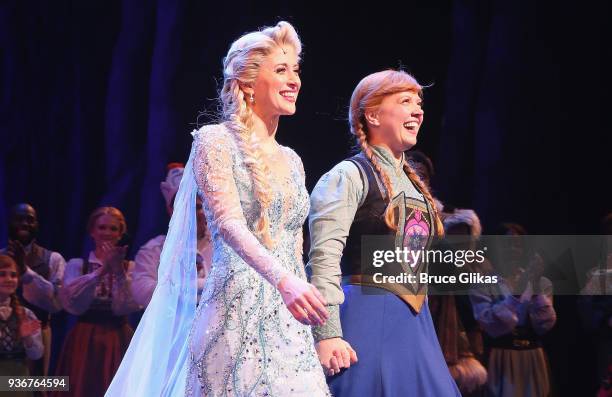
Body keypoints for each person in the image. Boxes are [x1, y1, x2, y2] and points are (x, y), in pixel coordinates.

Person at [106, 21, 330, 396]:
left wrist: (306, 303)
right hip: (234, 312)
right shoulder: (215, 141)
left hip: (289, 320)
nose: (294, 80)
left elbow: (293, 242)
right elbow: (228, 224)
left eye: (296, 70)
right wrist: (284, 280)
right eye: (281, 70)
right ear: (246, 82)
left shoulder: (292, 160)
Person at [309, 70, 460, 396]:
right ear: (373, 114)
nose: (418, 111)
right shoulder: (348, 176)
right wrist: (327, 333)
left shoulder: (415, 187)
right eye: (405, 101)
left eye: (419, 103)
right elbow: (324, 259)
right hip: (365, 319)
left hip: (415, 325)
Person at [53, 207, 139, 397]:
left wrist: (117, 271)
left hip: (118, 336)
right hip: (85, 337)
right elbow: (72, 304)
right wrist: (101, 271)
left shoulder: (130, 268)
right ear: (92, 231)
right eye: (102, 228)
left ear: (121, 233)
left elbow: (127, 306)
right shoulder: (78, 265)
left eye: (113, 229)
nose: (107, 233)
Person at [469, 223, 556, 397]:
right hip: (500, 357)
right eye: (506, 244)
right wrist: (516, 294)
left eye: (517, 245)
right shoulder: (483, 282)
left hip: (533, 358)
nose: (512, 250)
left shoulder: (541, 283)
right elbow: (489, 323)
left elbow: (544, 325)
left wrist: (535, 285)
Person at [131, 164, 212, 307]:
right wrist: (190, 289)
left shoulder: (222, 246)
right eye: (185, 208)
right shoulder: (155, 249)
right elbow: (141, 291)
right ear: (171, 211)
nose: (192, 213)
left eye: (198, 207)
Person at [2, 203, 65, 384]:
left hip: (37, 331)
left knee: (35, 386)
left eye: (29, 220)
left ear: (37, 225)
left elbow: (57, 303)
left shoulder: (53, 259)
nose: (24, 224)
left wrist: (26, 271)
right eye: (19, 219)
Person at [0, 254, 43, 397]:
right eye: (2, 274)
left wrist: (27, 338)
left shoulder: (25, 314)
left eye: (13, 275)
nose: (8, 279)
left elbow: (37, 355)